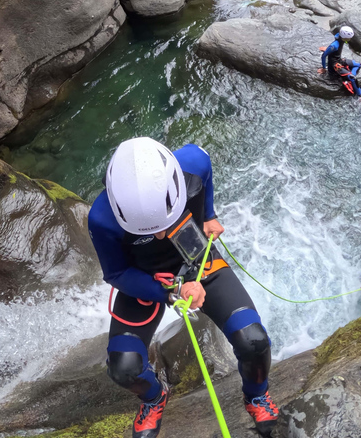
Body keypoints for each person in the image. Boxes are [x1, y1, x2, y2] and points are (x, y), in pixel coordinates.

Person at [88, 137, 278, 438]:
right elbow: (117, 273)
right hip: (146, 279)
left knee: (254, 341)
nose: (161, 234)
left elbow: (206, 172)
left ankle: (256, 394)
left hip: (197, 259)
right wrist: (170, 292)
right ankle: (154, 397)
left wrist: (209, 215)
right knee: (124, 369)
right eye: (149, 230)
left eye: (164, 222)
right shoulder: (102, 219)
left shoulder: (192, 163)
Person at [317, 26, 361, 99]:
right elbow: (324, 55)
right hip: (335, 65)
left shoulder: (340, 38)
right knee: (353, 78)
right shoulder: (334, 45)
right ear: (345, 37)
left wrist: (328, 49)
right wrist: (324, 68)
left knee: (358, 65)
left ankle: (348, 77)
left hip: (339, 60)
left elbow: (334, 43)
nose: (350, 39)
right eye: (350, 37)